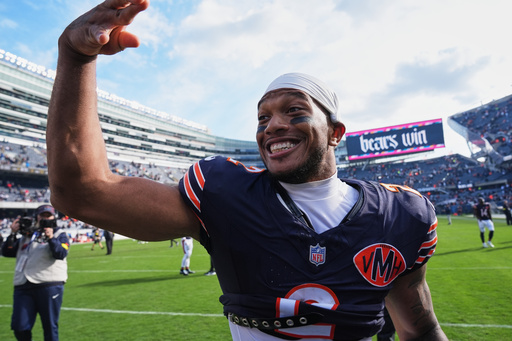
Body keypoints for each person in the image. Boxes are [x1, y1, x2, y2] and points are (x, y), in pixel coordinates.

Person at [45, 1, 448, 340]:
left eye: (294, 110)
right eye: (262, 118)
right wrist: (77, 56)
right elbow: (82, 192)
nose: (273, 125)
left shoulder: (402, 215)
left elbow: (420, 329)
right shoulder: (225, 195)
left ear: (335, 133)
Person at [1, 204, 70, 341]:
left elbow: (60, 253)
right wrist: (13, 233)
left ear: (53, 217)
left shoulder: (59, 234)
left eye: (48, 215)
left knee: (49, 327)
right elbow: (6, 252)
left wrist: (51, 238)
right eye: (42, 215)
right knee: (19, 327)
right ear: (36, 217)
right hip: (23, 285)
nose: (45, 218)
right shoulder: (26, 235)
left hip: (49, 285)